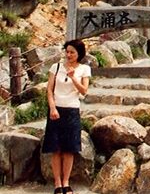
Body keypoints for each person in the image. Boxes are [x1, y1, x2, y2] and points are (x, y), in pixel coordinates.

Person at [44, 39, 90, 194]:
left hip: (72, 111)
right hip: (55, 110)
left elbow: (84, 91)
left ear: (79, 54)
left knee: (69, 149)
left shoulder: (84, 69)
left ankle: (66, 182)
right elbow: (49, 90)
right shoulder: (55, 67)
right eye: (67, 51)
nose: (68, 55)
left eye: (72, 52)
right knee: (55, 149)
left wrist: (73, 77)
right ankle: (57, 183)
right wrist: (52, 108)